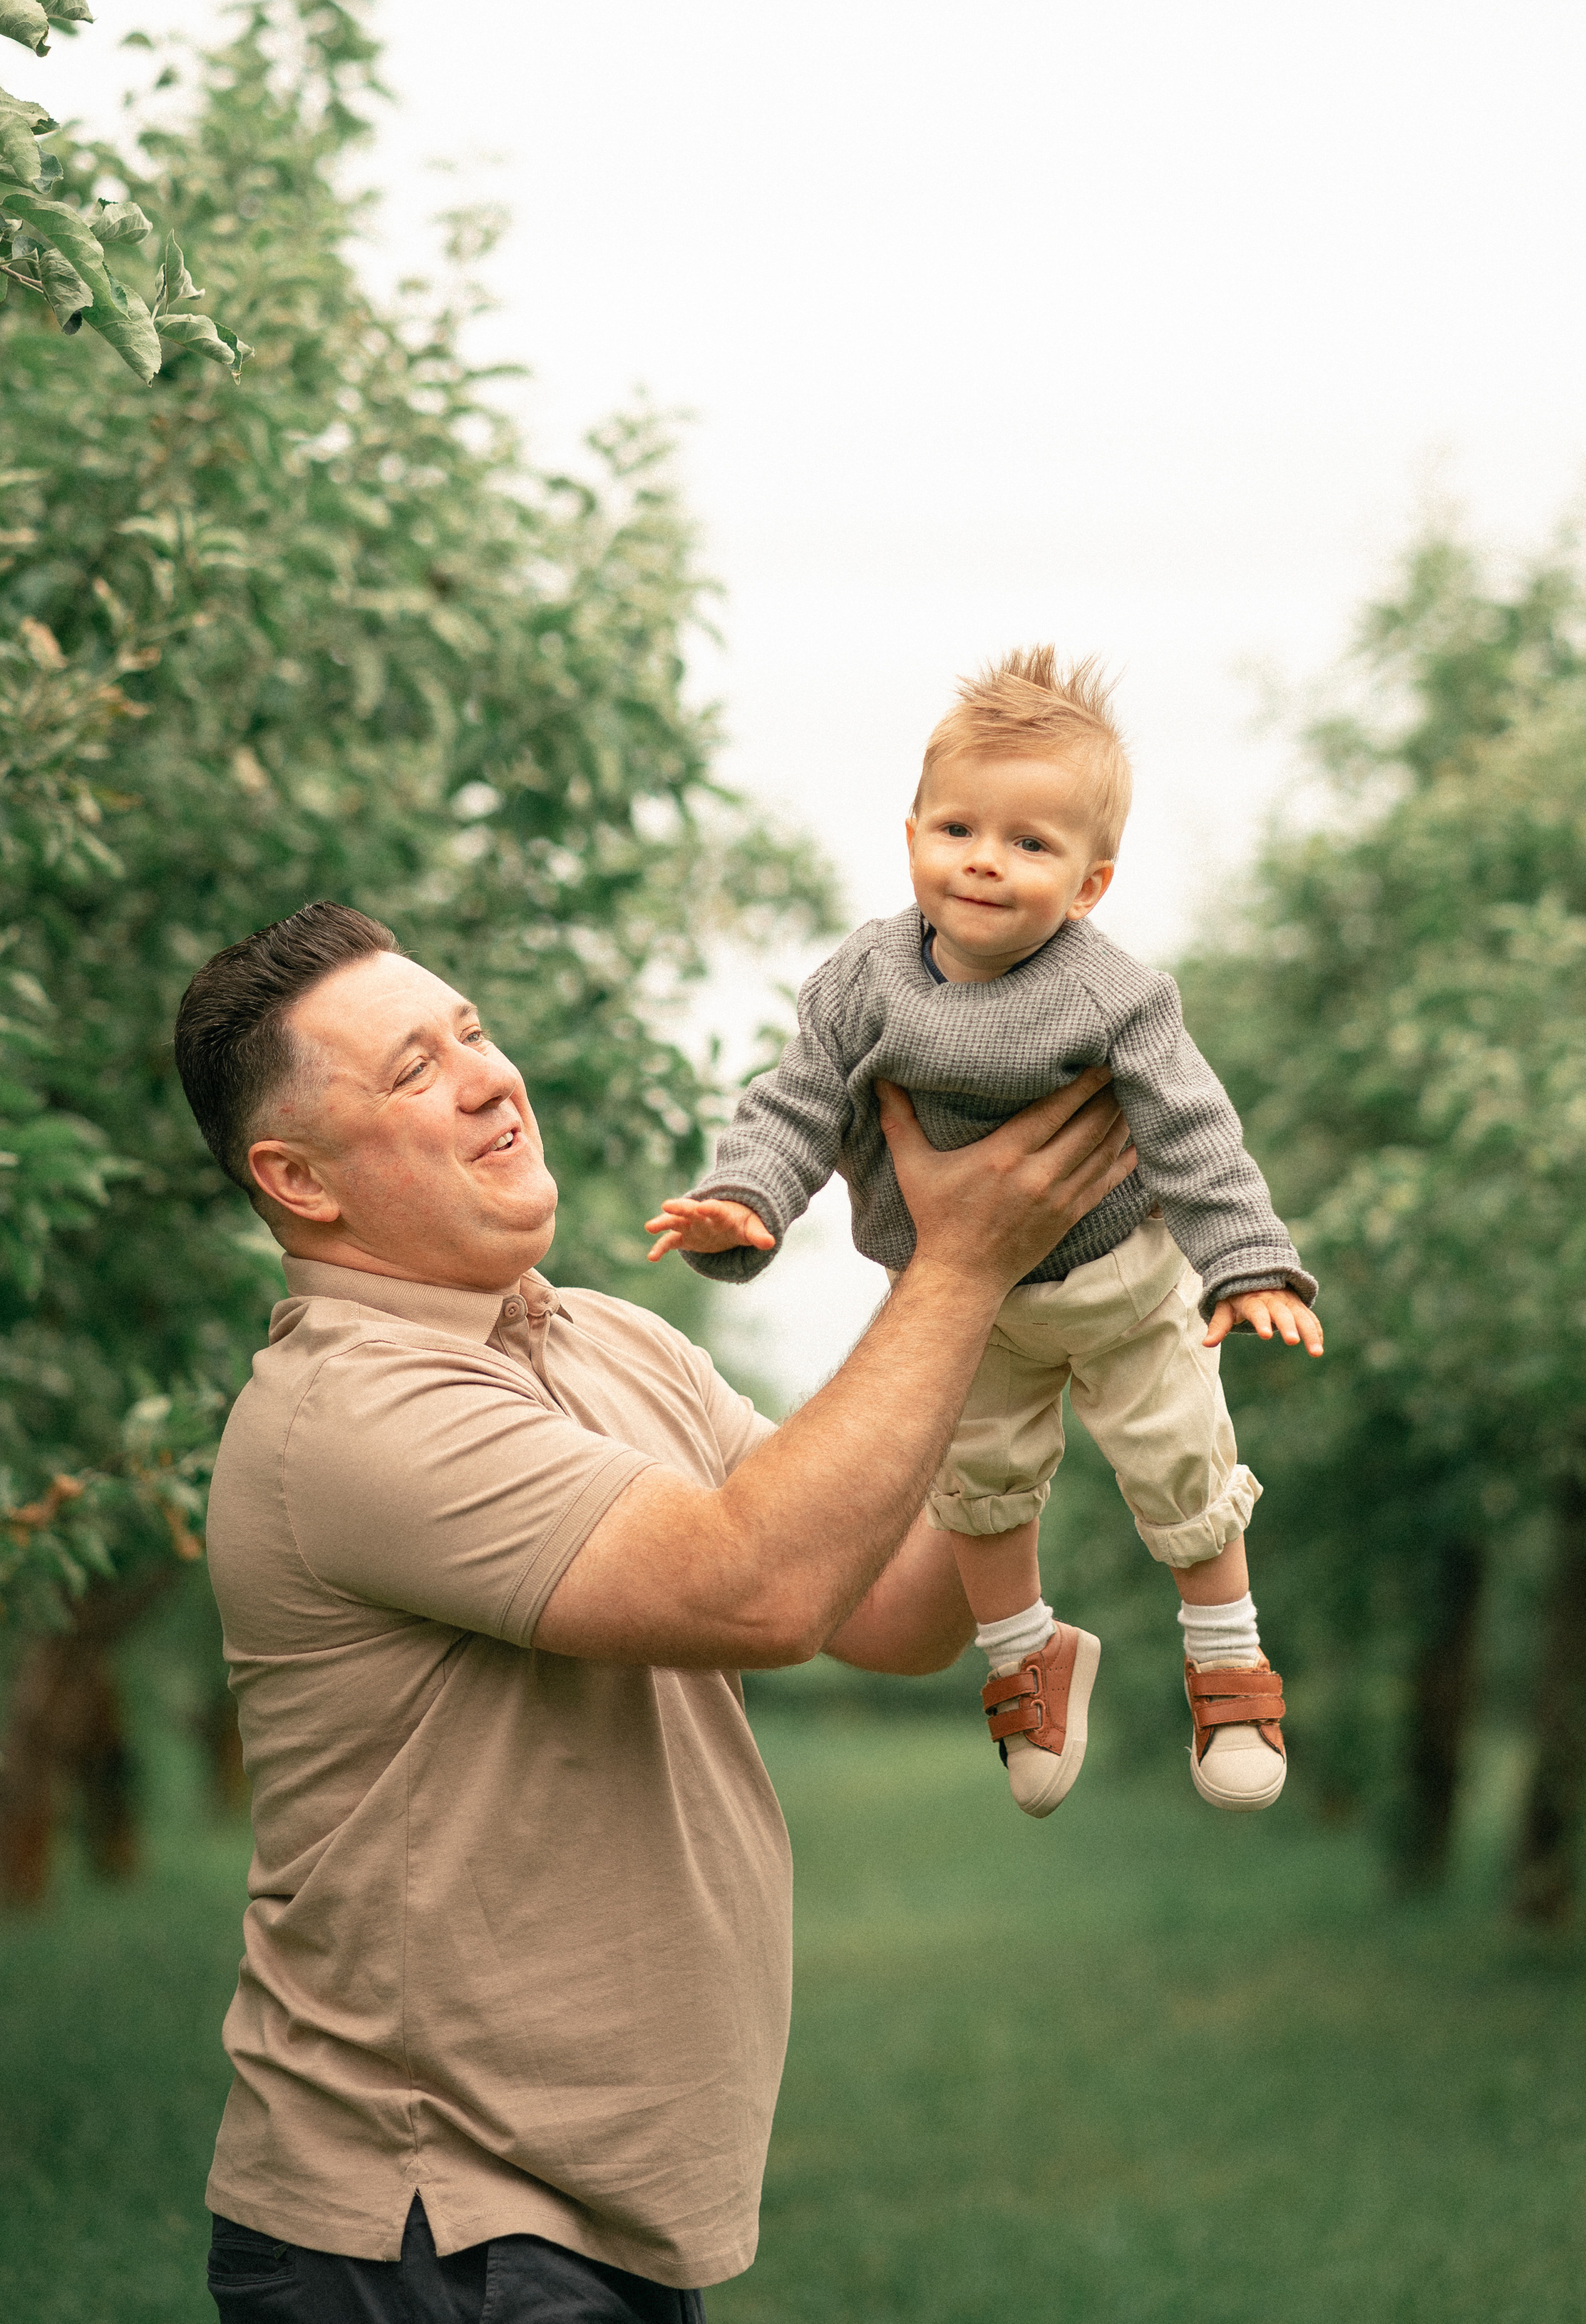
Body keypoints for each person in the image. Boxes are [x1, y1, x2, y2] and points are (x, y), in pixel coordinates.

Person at [175, 898, 1137, 2323]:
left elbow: (885, 1606)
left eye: (473, 1034)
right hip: (432, 2233)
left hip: (588, 2221)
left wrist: (1041, 1319)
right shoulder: (352, 1413)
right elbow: (759, 1588)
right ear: (298, 1180)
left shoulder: (609, 1340)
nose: (491, 1078)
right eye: (411, 1071)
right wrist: (956, 1268)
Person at [647, 647, 1324, 1824]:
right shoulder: (863, 982)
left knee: (1179, 1461)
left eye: (1030, 844)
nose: (984, 862)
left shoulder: (1115, 995)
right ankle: (1024, 1655)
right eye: (958, 828)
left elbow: (1192, 1128)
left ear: (1091, 883)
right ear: (910, 832)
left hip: (1119, 1284)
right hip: (966, 1302)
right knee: (980, 1482)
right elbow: (797, 1101)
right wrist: (746, 1205)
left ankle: (1227, 1662)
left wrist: (1250, 1261)